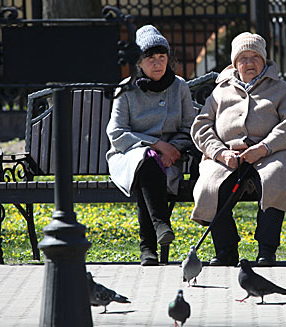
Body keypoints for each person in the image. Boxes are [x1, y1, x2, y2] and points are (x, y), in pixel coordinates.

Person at [190, 32, 286, 266]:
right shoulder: (220, 91)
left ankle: (267, 249)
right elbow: (201, 126)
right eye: (243, 57)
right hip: (228, 156)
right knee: (210, 185)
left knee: (275, 177)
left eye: (255, 57)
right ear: (235, 63)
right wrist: (220, 153)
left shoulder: (280, 89)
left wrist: (264, 147)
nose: (249, 62)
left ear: (264, 60)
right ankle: (226, 249)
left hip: (272, 154)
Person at [106, 25, 195, 266]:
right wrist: (156, 145)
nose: (157, 63)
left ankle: (148, 249)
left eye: (161, 57)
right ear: (139, 63)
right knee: (146, 160)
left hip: (170, 160)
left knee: (150, 168)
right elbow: (116, 133)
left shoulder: (180, 87)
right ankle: (160, 225)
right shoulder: (125, 90)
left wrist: (171, 150)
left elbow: (189, 128)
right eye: (150, 58)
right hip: (128, 157)